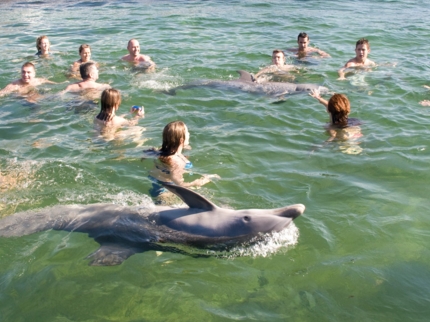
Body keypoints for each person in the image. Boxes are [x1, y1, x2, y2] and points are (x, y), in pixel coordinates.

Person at [147, 121, 220, 197]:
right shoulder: (177, 163)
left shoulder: (161, 152)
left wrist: (182, 146)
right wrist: (200, 181)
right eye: (187, 132)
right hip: (165, 193)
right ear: (181, 140)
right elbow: (181, 185)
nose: (189, 134)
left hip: (157, 184)